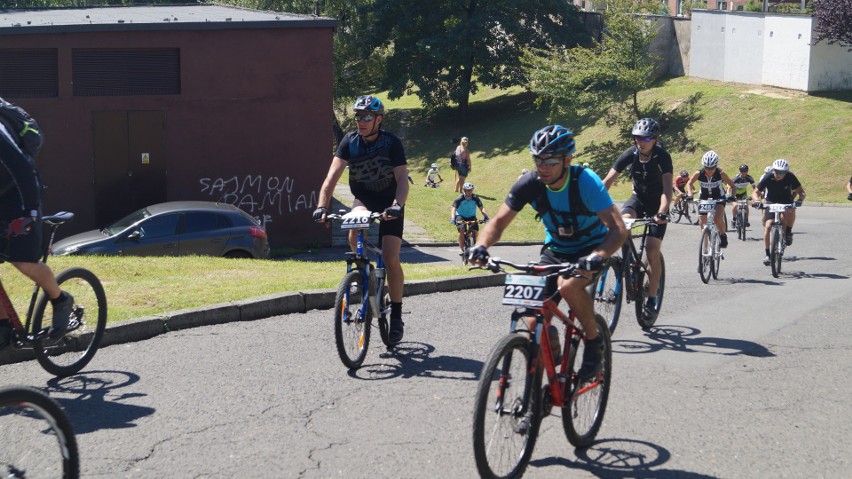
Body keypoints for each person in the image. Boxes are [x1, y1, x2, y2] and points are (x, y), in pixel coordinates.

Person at [469, 125, 627, 380]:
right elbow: (497, 222)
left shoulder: (585, 181)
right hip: (556, 250)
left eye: (551, 161)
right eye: (537, 159)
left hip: (591, 249)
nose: (543, 167)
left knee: (568, 287)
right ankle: (539, 396)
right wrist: (481, 246)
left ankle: (594, 341)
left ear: (567, 160)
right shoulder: (530, 183)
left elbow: (618, 229)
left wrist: (599, 255)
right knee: (533, 321)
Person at [313, 95, 410, 345]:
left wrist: (397, 206)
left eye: (367, 117)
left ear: (379, 119)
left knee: (390, 257)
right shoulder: (349, 141)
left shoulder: (391, 143)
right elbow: (330, 179)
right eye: (358, 116)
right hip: (364, 200)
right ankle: (362, 276)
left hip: (390, 203)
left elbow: (401, 179)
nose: (361, 121)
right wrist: (322, 206)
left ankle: (397, 314)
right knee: (353, 234)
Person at [0, 119, 74, 350]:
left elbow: (22, 169)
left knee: (22, 261)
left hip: (20, 196)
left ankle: (60, 300)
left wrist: (30, 213)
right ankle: (4, 325)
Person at [601, 118, 671, 321]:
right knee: (621, 224)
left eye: (646, 138)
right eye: (637, 138)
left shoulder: (662, 157)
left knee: (651, 250)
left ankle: (650, 298)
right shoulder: (629, 155)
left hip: (658, 204)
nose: (641, 142)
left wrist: (662, 212)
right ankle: (628, 262)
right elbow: (607, 181)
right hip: (638, 199)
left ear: (655, 139)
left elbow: (667, 190)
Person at [752, 159, 805, 265]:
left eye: (781, 172)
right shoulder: (768, 177)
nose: (778, 174)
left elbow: (801, 192)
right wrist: (757, 201)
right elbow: (755, 192)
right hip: (771, 201)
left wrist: (799, 200)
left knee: (789, 212)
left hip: (786, 200)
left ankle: (788, 232)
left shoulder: (790, 177)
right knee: (767, 226)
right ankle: (767, 254)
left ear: (786, 172)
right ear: (773, 170)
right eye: (776, 171)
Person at [686, 151, 736, 248]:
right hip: (704, 197)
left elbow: (732, 185)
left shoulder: (721, 173)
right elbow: (689, 183)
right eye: (707, 168)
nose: (709, 170)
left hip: (718, 197)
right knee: (702, 222)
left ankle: (723, 235)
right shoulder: (698, 173)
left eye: (712, 168)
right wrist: (690, 194)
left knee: (717, 218)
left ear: (716, 166)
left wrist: (732, 196)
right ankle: (705, 247)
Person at [450, 182, 489, 255]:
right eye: (468, 190)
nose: (470, 191)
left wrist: (486, 216)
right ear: (464, 190)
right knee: (461, 230)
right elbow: (454, 209)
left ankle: (475, 245)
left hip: (471, 216)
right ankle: (461, 249)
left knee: (476, 230)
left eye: (471, 190)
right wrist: (453, 218)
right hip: (460, 216)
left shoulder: (475, 198)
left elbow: (481, 208)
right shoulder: (460, 198)